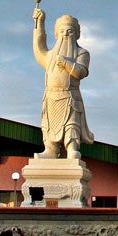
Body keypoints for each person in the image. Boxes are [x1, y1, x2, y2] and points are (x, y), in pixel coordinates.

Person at [32, 9, 94, 159]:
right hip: (51, 95)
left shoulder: (81, 53)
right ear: (56, 34)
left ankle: (72, 147)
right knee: (48, 124)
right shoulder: (50, 55)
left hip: (70, 95)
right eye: (62, 31)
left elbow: (81, 72)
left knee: (71, 124)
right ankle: (50, 149)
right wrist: (39, 23)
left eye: (69, 31)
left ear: (76, 34)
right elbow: (38, 49)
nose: (65, 34)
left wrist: (66, 63)